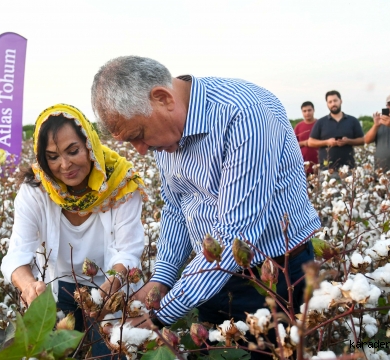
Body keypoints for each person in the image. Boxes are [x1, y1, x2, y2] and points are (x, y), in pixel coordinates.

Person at [91, 56, 320, 359]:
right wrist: (161, 280)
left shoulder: (242, 113)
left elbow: (236, 234)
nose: (141, 150)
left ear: (162, 98)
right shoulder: (167, 133)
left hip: (274, 277)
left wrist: (160, 315)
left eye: (138, 136)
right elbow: (176, 207)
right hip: (208, 276)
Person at [0, 104, 146, 357]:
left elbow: (128, 251)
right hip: (57, 288)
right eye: (53, 157)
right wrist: (28, 287)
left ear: (90, 145)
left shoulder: (121, 184)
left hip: (110, 287)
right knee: (48, 352)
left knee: (110, 353)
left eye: (73, 151)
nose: (65, 165)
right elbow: (17, 253)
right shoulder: (35, 191)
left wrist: (108, 291)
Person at [307, 91, 365, 169]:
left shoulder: (353, 120)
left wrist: (348, 141)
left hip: (348, 168)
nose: (333, 104)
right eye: (330, 102)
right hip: (326, 169)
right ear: (327, 104)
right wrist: (327, 142)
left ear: (340, 101)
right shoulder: (321, 122)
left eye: (335, 100)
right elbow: (310, 142)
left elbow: (362, 140)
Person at [364, 93, 390, 171]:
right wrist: (376, 125)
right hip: (381, 171)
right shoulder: (381, 123)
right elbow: (367, 140)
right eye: (389, 105)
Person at [294, 101, 319, 175]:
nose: (307, 113)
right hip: (303, 164)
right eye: (304, 111)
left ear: (313, 110)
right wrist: (305, 143)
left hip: (319, 164)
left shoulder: (319, 124)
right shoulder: (298, 127)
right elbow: (293, 145)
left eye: (309, 110)